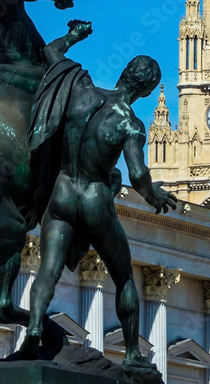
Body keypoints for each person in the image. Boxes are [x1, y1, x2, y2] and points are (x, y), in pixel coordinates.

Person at [18, 20, 178, 365]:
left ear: (123, 72)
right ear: (148, 91)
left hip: (61, 193)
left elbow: (50, 52)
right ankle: (134, 354)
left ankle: (33, 329)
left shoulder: (81, 90)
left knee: (48, 270)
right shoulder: (130, 123)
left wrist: (74, 36)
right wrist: (155, 197)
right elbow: (137, 174)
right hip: (94, 199)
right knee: (122, 275)